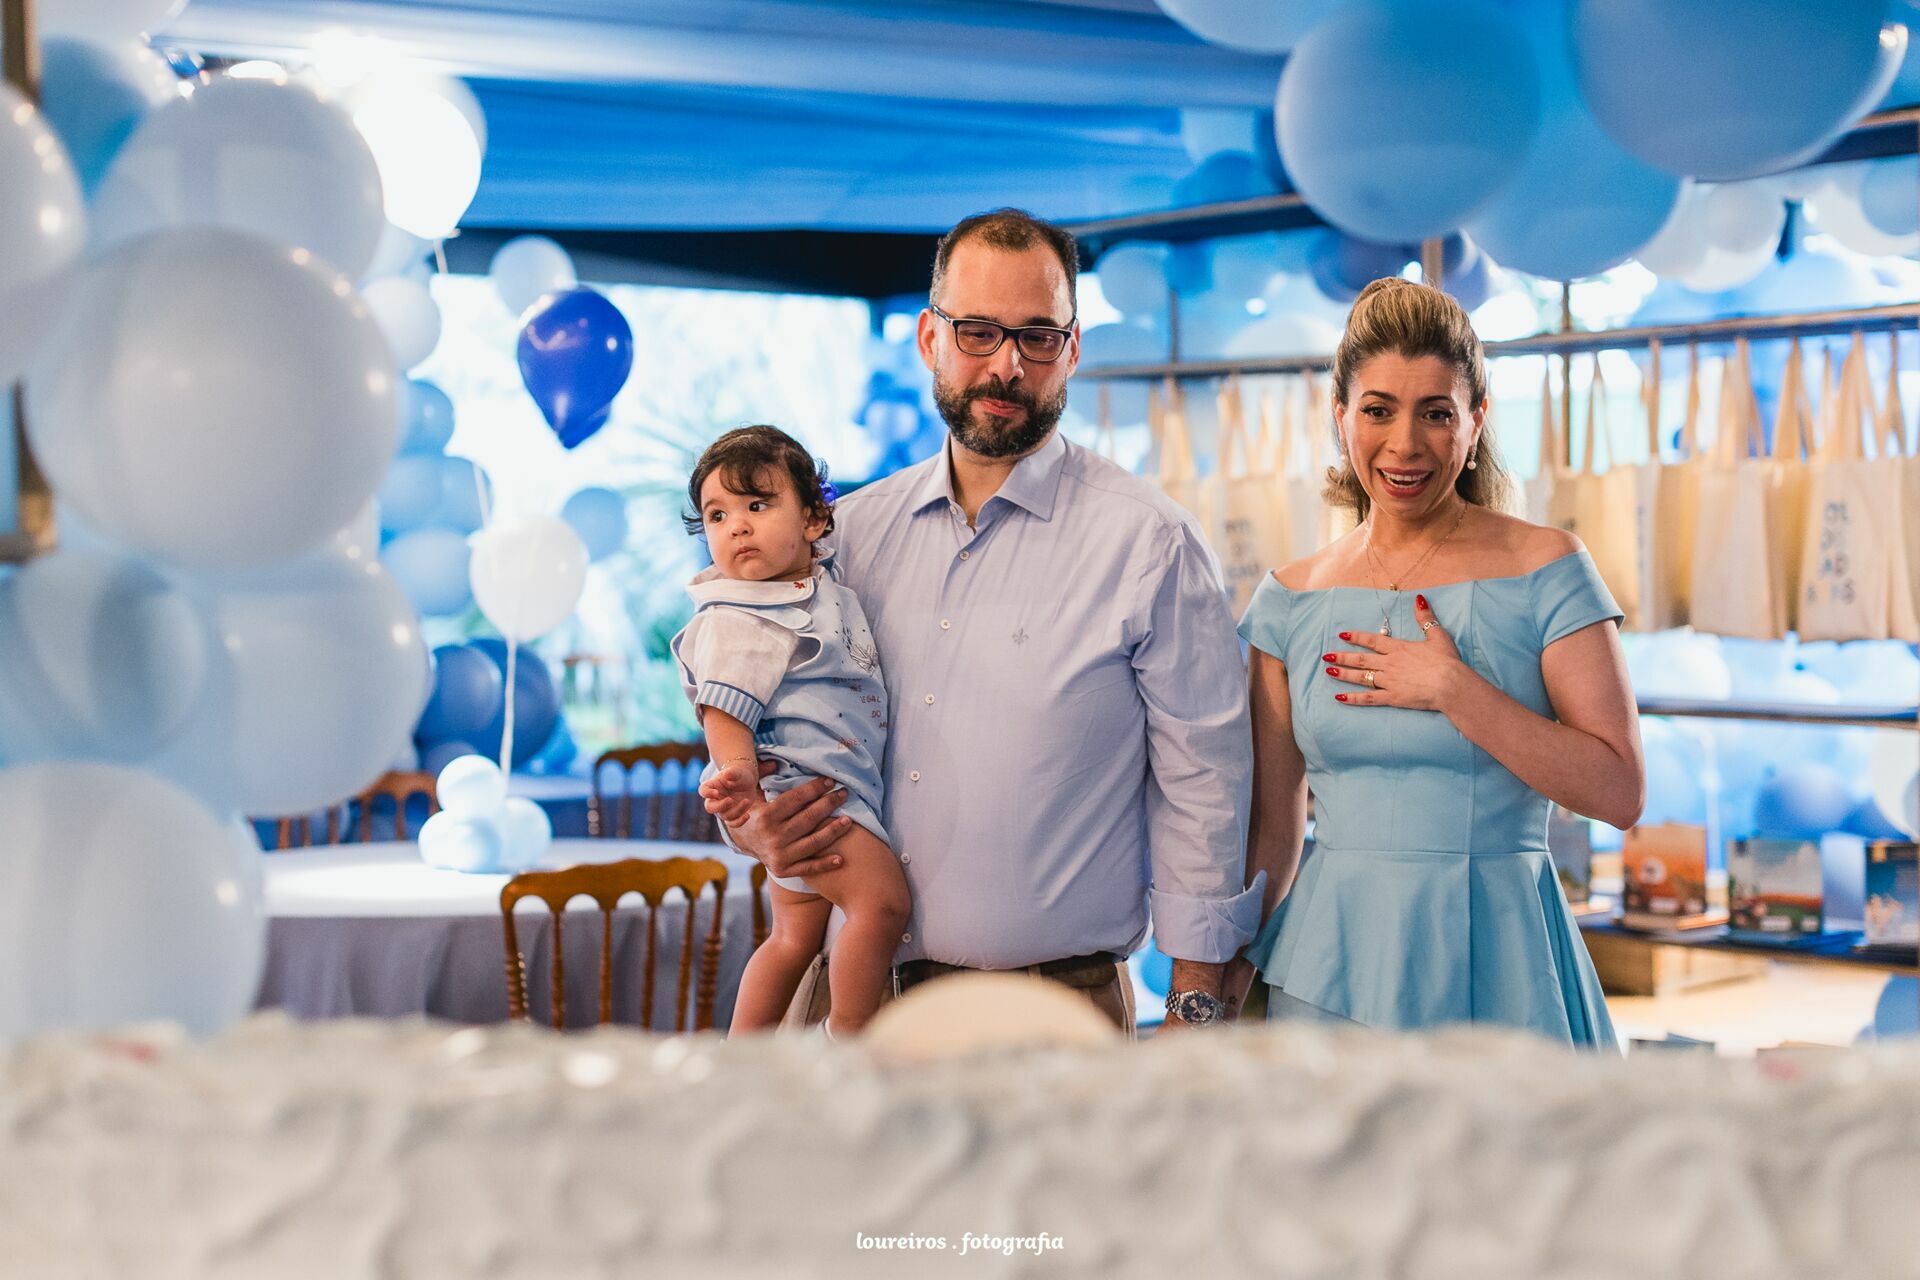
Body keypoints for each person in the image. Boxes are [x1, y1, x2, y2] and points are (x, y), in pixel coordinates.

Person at [705, 208, 1262, 1033]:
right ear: (930, 338)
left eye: (1038, 336)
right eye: (977, 333)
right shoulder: (844, 540)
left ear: (1073, 349)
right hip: (844, 1004)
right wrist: (757, 830)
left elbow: (1206, 794)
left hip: (1050, 1014)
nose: (1007, 365)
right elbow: (755, 702)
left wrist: (1195, 1013)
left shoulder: (1150, 545)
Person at [1224, 277, 1643, 1048]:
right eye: (1378, 410)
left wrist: (1456, 689)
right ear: (1341, 416)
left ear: (1476, 420)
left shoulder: (1548, 566)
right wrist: (1215, 990)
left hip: (1508, 964)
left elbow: (1618, 791)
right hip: (1330, 968)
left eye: (1436, 413)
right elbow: (1271, 837)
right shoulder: (1287, 599)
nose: (1405, 444)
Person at [672, 426, 910, 1038]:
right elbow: (724, 709)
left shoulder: (808, 588)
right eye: (717, 515)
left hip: (824, 779)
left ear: (814, 519)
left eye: (757, 505)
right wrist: (741, 780)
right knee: (881, 905)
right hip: (808, 790)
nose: (737, 527)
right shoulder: (742, 614)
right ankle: (848, 1034)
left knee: (792, 936)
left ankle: (746, 1055)